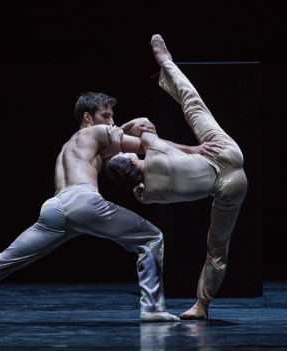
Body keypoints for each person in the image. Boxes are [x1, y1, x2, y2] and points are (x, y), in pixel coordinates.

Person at [0, 92, 180, 324]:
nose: (111, 121)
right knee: (151, 236)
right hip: (83, 201)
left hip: (54, 208)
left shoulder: (70, 145)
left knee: (1, 261)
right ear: (88, 117)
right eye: (106, 115)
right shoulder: (97, 132)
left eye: (113, 116)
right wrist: (195, 149)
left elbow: (119, 138)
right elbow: (152, 148)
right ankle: (153, 309)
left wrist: (127, 127)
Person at [104, 35, 248, 319]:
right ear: (133, 159)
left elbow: (134, 182)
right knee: (192, 105)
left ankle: (202, 306)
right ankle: (165, 62)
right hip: (223, 153)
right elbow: (140, 126)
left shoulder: (145, 195)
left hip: (230, 189)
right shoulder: (153, 150)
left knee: (217, 248)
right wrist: (124, 127)